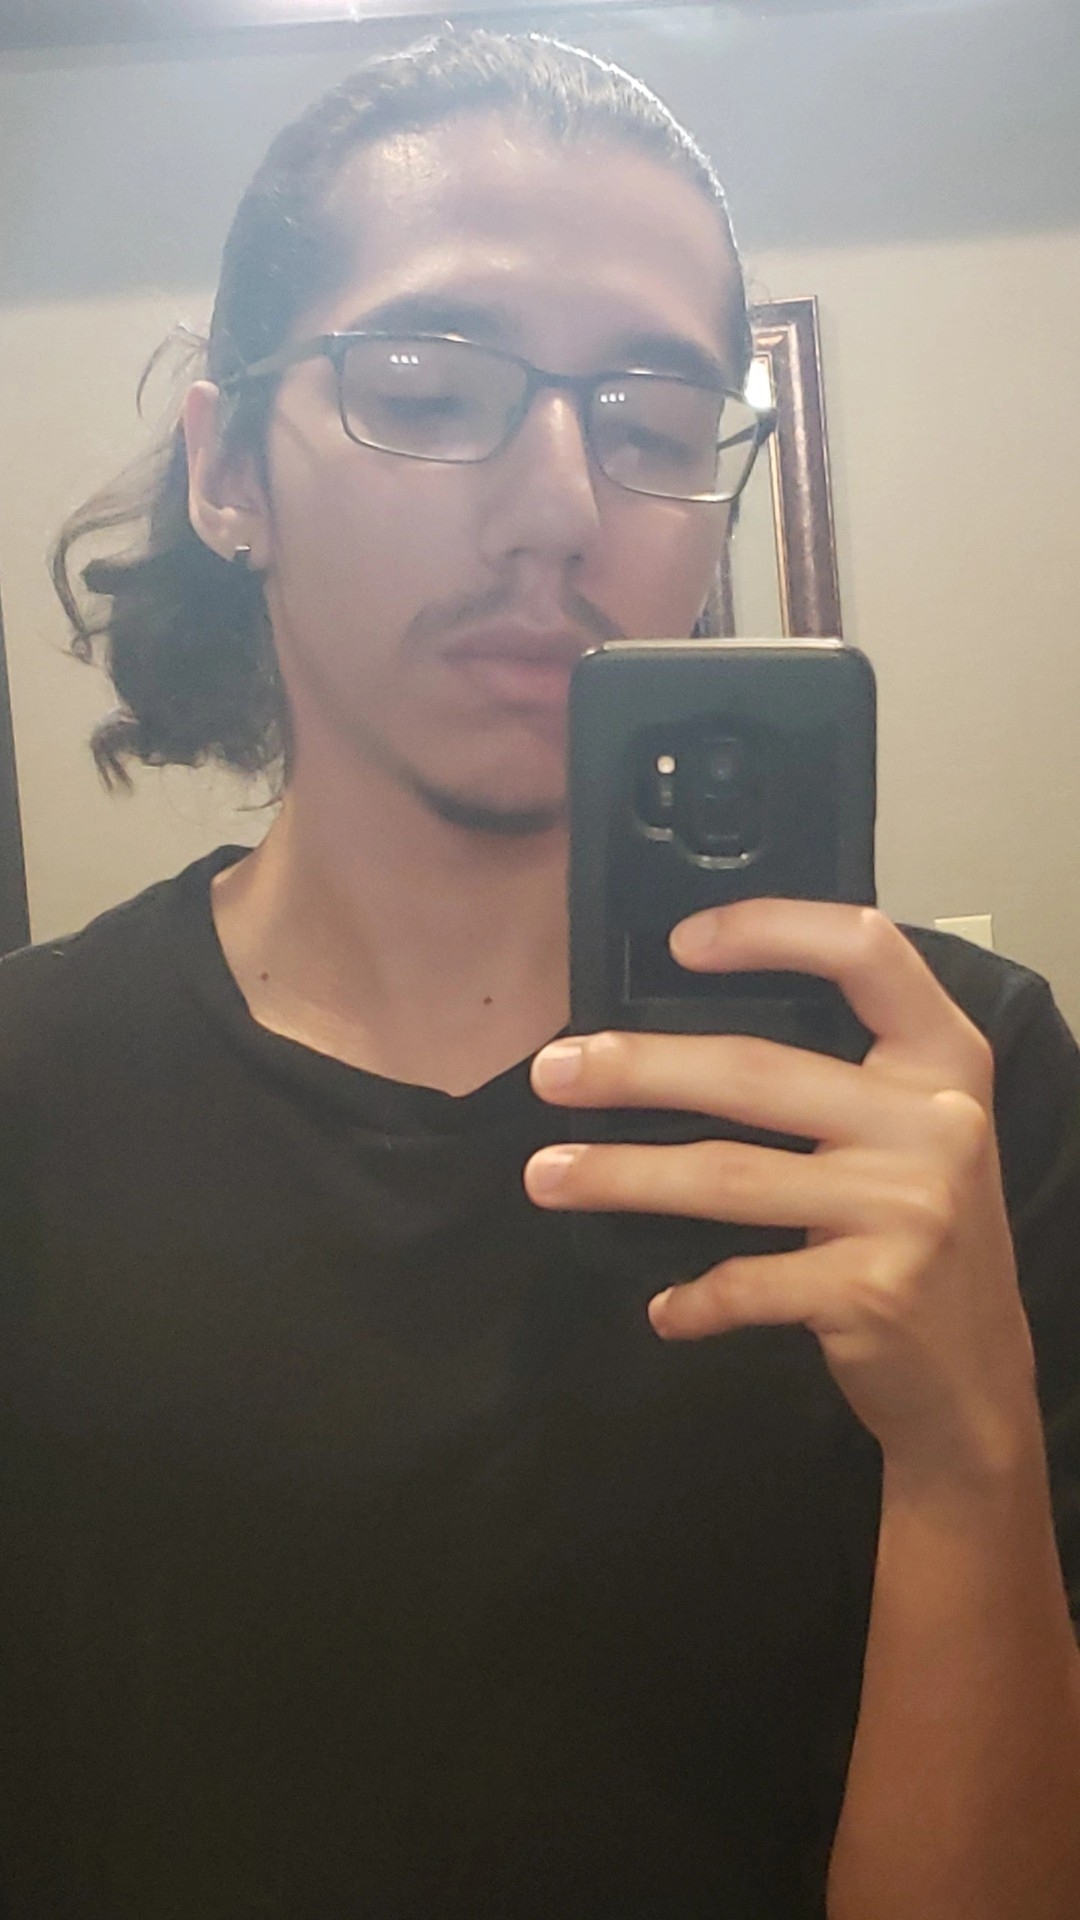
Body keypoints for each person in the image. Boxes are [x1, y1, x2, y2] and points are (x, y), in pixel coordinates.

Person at [2, 26, 1078, 1918]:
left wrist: (969, 1454)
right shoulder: (29, 1096)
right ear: (229, 468)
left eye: (654, 429)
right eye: (427, 390)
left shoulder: (953, 1094)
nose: (564, 505)